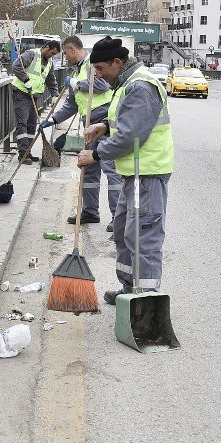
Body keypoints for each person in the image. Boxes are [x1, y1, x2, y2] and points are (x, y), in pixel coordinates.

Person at [78, 37, 174, 305]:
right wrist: (104, 127)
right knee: (122, 231)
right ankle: (128, 289)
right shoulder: (126, 83)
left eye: (100, 68)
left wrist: (95, 154)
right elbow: (126, 121)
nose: (98, 75)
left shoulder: (140, 86)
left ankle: (145, 300)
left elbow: (132, 135)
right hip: (134, 172)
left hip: (148, 172)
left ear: (117, 62)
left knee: (143, 236)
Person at [39, 36, 123, 230]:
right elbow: (71, 104)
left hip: (103, 123)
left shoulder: (93, 64)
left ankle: (117, 217)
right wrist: (53, 120)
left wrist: (75, 82)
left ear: (72, 49)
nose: (65, 57)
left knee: (111, 170)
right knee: (89, 168)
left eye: (66, 53)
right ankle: (90, 211)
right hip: (88, 125)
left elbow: (101, 85)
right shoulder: (76, 71)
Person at [11, 40, 60, 162]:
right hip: (21, 93)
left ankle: (28, 151)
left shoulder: (49, 63)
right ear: (47, 47)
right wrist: (25, 80)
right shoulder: (31, 54)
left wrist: (55, 95)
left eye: (54, 55)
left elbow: (51, 80)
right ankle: (22, 154)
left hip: (35, 95)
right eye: (52, 53)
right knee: (22, 123)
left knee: (32, 125)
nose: (52, 56)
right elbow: (16, 66)